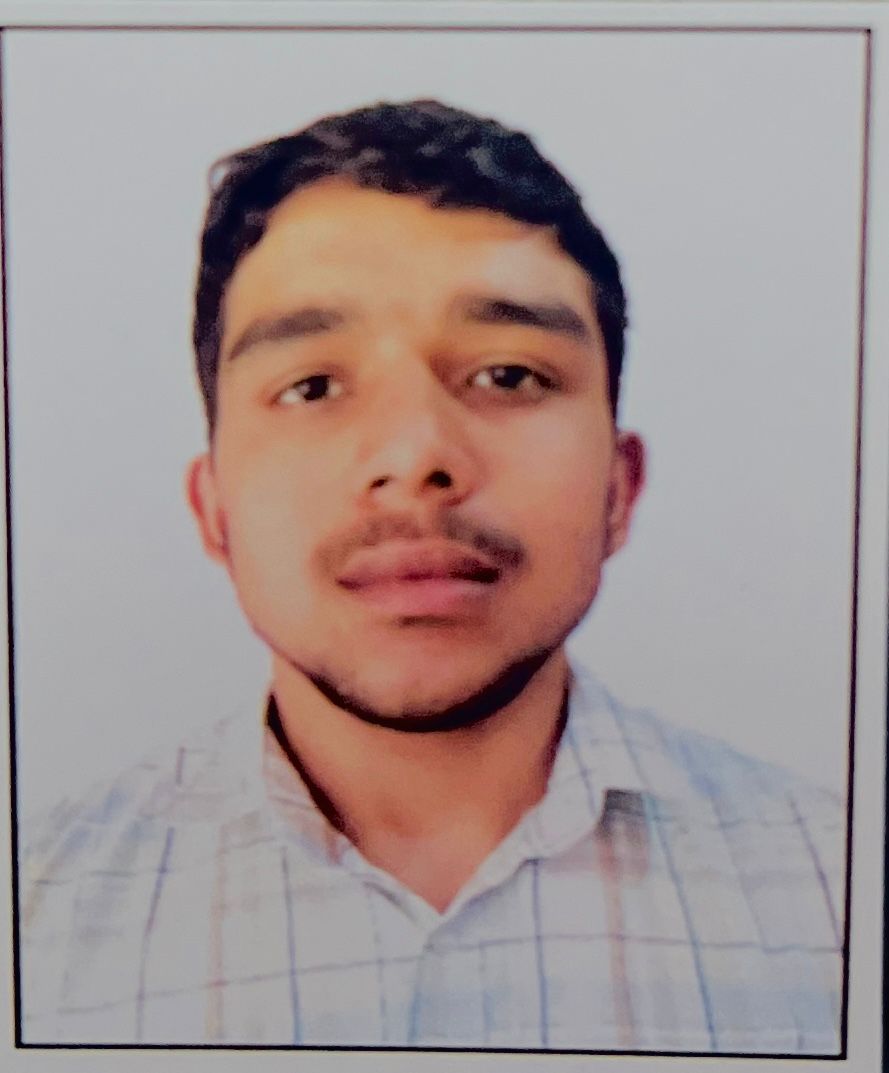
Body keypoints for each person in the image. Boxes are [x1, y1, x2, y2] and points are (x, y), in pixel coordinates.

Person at [18, 100, 844, 1052]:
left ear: (618, 489)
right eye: (312, 385)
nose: (415, 456)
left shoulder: (837, 890)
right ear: (214, 510)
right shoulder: (32, 914)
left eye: (508, 375)